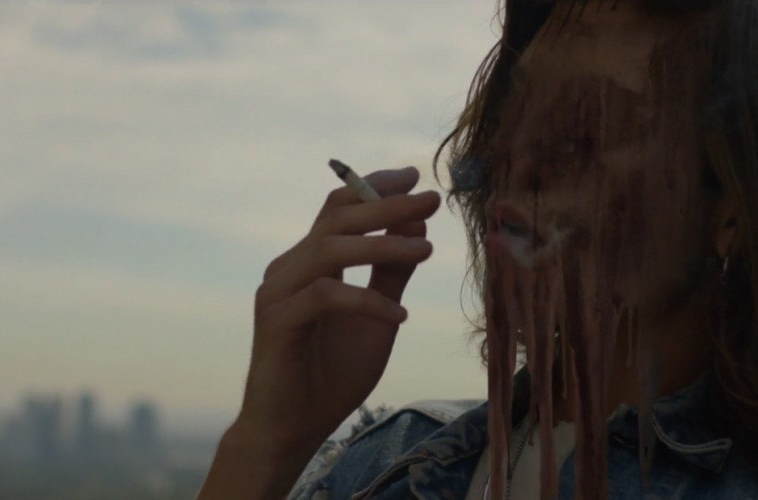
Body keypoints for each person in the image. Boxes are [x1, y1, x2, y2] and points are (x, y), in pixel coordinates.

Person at [197, 0, 758, 498]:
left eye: (591, 125)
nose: (521, 157)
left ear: (730, 210)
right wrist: (267, 441)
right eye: (518, 110)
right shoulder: (388, 468)